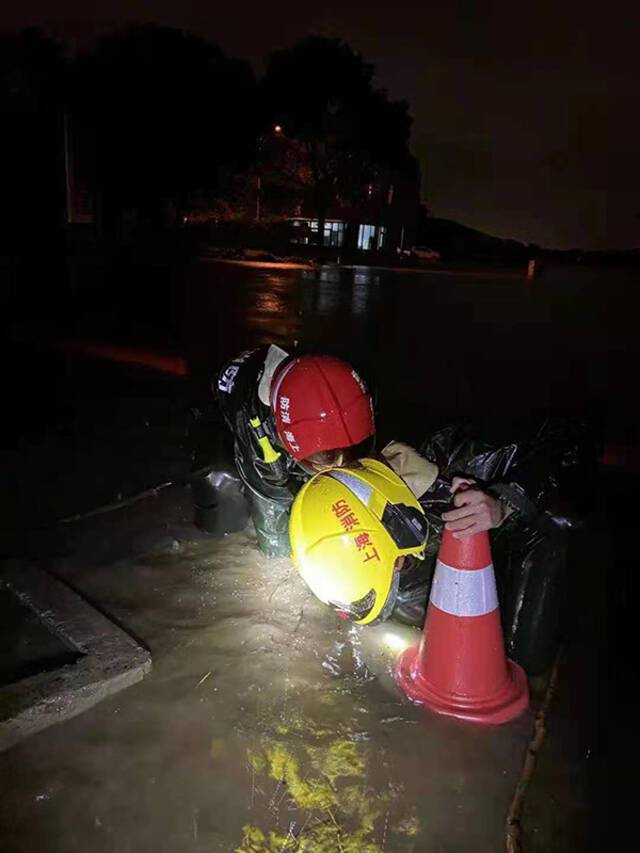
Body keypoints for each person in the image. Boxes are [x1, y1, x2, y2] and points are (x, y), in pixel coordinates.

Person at [289, 419, 596, 675]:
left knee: (518, 662)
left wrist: (506, 501)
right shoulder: (333, 541)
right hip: (441, 559)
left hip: (525, 535)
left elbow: (568, 443)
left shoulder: (461, 463)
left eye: (396, 565)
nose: (397, 569)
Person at [195, 344, 375, 557]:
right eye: (327, 456)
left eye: (351, 450)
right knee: (222, 482)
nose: (339, 466)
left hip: (270, 376)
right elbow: (272, 522)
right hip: (222, 413)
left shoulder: (338, 392)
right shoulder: (257, 432)